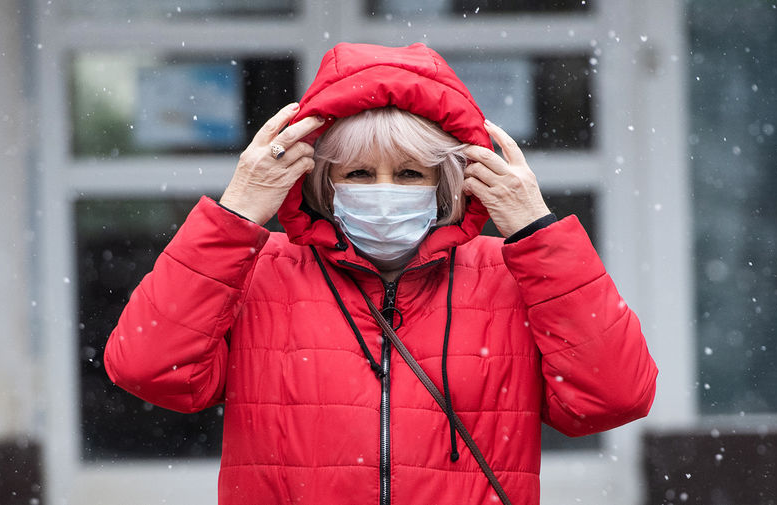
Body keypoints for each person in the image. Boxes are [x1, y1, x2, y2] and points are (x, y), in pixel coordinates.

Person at [104, 42, 658, 505]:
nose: (384, 192)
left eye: (411, 172)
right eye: (360, 173)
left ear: (448, 183)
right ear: (319, 182)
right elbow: (149, 367)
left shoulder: (510, 275)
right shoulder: (260, 270)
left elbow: (614, 396)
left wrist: (537, 232)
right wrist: (235, 216)